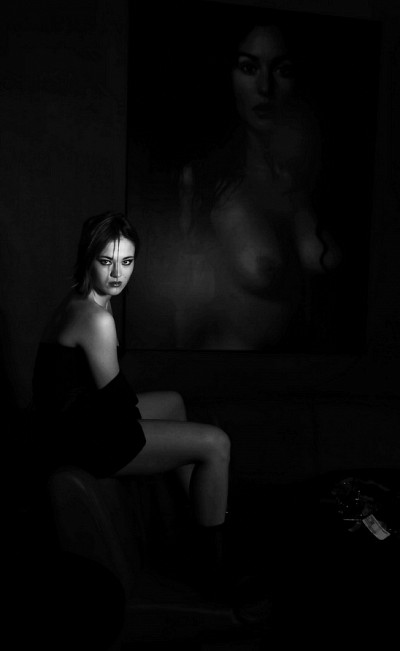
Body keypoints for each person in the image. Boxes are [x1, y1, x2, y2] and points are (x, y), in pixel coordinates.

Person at [31, 211, 268, 622]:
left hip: (77, 420)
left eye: (126, 262)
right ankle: (215, 565)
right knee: (216, 443)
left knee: (173, 402)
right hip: (83, 439)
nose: (117, 274)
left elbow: (95, 392)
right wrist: (142, 422)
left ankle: (196, 518)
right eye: (106, 261)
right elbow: (117, 404)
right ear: (88, 258)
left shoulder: (81, 299)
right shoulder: (95, 317)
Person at [126, 16, 341, 351]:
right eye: (249, 68)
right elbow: (184, 306)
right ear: (228, 76)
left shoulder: (312, 178)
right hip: (228, 370)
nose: (265, 87)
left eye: (282, 70)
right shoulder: (206, 181)